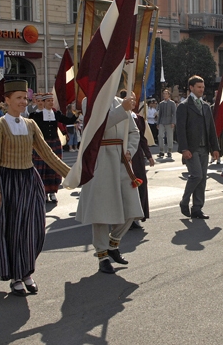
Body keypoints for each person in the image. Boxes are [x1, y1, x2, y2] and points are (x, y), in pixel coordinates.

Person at [0, 80, 71, 296]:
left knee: (34, 228)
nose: (23, 102)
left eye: (25, 98)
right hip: (8, 181)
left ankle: (27, 270)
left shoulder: (30, 124)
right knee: (14, 230)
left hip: (30, 179)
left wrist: (71, 174)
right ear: (7, 101)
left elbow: (46, 153)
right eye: (18, 98)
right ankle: (17, 276)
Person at [73, 92, 144, 274]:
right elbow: (98, 128)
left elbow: (134, 131)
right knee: (101, 212)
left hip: (121, 160)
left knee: (132, 209)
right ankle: (102, 255)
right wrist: (123, 109)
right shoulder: (90, 101)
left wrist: (130, 149)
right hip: (101, 160)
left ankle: (113, 244)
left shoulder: (121, 102)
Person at [177, 76, 220, 219]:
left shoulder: (206, 106)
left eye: (202, 87)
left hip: (204, 147)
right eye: (198, 87)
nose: (201, 89)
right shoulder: (183, 106)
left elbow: (211, 129)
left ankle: (197, 208)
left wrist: (215, 148)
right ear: (191, 88)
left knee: (202, 180)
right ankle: (184, 201)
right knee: (197, 175)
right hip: (191, 148)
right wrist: (184, 149)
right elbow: (181, 130)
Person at [29, 93, 76, 203]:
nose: (51, 102)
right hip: (42, 144)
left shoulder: (56, 114)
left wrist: (76, 113)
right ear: (44, 103)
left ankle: (53, 192)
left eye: (51, 100)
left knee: (55, 167)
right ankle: (43, 192)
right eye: (48, 101)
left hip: (55, 143)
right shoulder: (35, 116)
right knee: (42, 168)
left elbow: (68, 121)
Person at [130, 107, 154, 228]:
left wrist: (149, 155)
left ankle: (139, 214)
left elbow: (142, 139)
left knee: (141, 183)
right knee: (128, 185)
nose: (133, 102)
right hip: (125, 156)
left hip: (137, 156)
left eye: (134, 99)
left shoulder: (138, 118)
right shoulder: (121, 117)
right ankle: (127, 218)